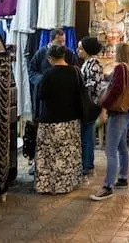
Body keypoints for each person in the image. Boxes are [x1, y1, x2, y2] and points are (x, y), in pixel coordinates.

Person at [90, 43, 129, 201]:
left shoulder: (120, 68)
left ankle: (108, 186)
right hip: (126, 112)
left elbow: (116, 89)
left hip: (117, 113)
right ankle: (123, 177)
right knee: (122, 147)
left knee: (110, 150)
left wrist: (104, 105)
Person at [34, 45, 83, 194]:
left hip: (51, 120)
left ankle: (47, 185)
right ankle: (66, 184)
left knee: (49, 154)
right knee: (67, 154)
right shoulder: (75, 72)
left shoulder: (48, 75)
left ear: (50, 59)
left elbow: (41, 95)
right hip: (70, 121)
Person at [28, 29, 76, 121]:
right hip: (44, 96)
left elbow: (74, 69)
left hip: (63, 95)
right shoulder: (40, 53)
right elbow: (32, 70)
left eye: (63, 41)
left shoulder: (68, 54)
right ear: (51, 40)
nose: (62, 44)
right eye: (59, 42)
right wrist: (43, 80)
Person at [77, 37, 104, 180]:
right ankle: (87, 164)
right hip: (89, 104)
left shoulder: (93, 65)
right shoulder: (88, 63)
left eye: (81, 48)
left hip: (90, 105)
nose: (78, 51)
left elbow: (92, 87)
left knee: (87, 137)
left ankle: (87, 165)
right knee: (86, 136)